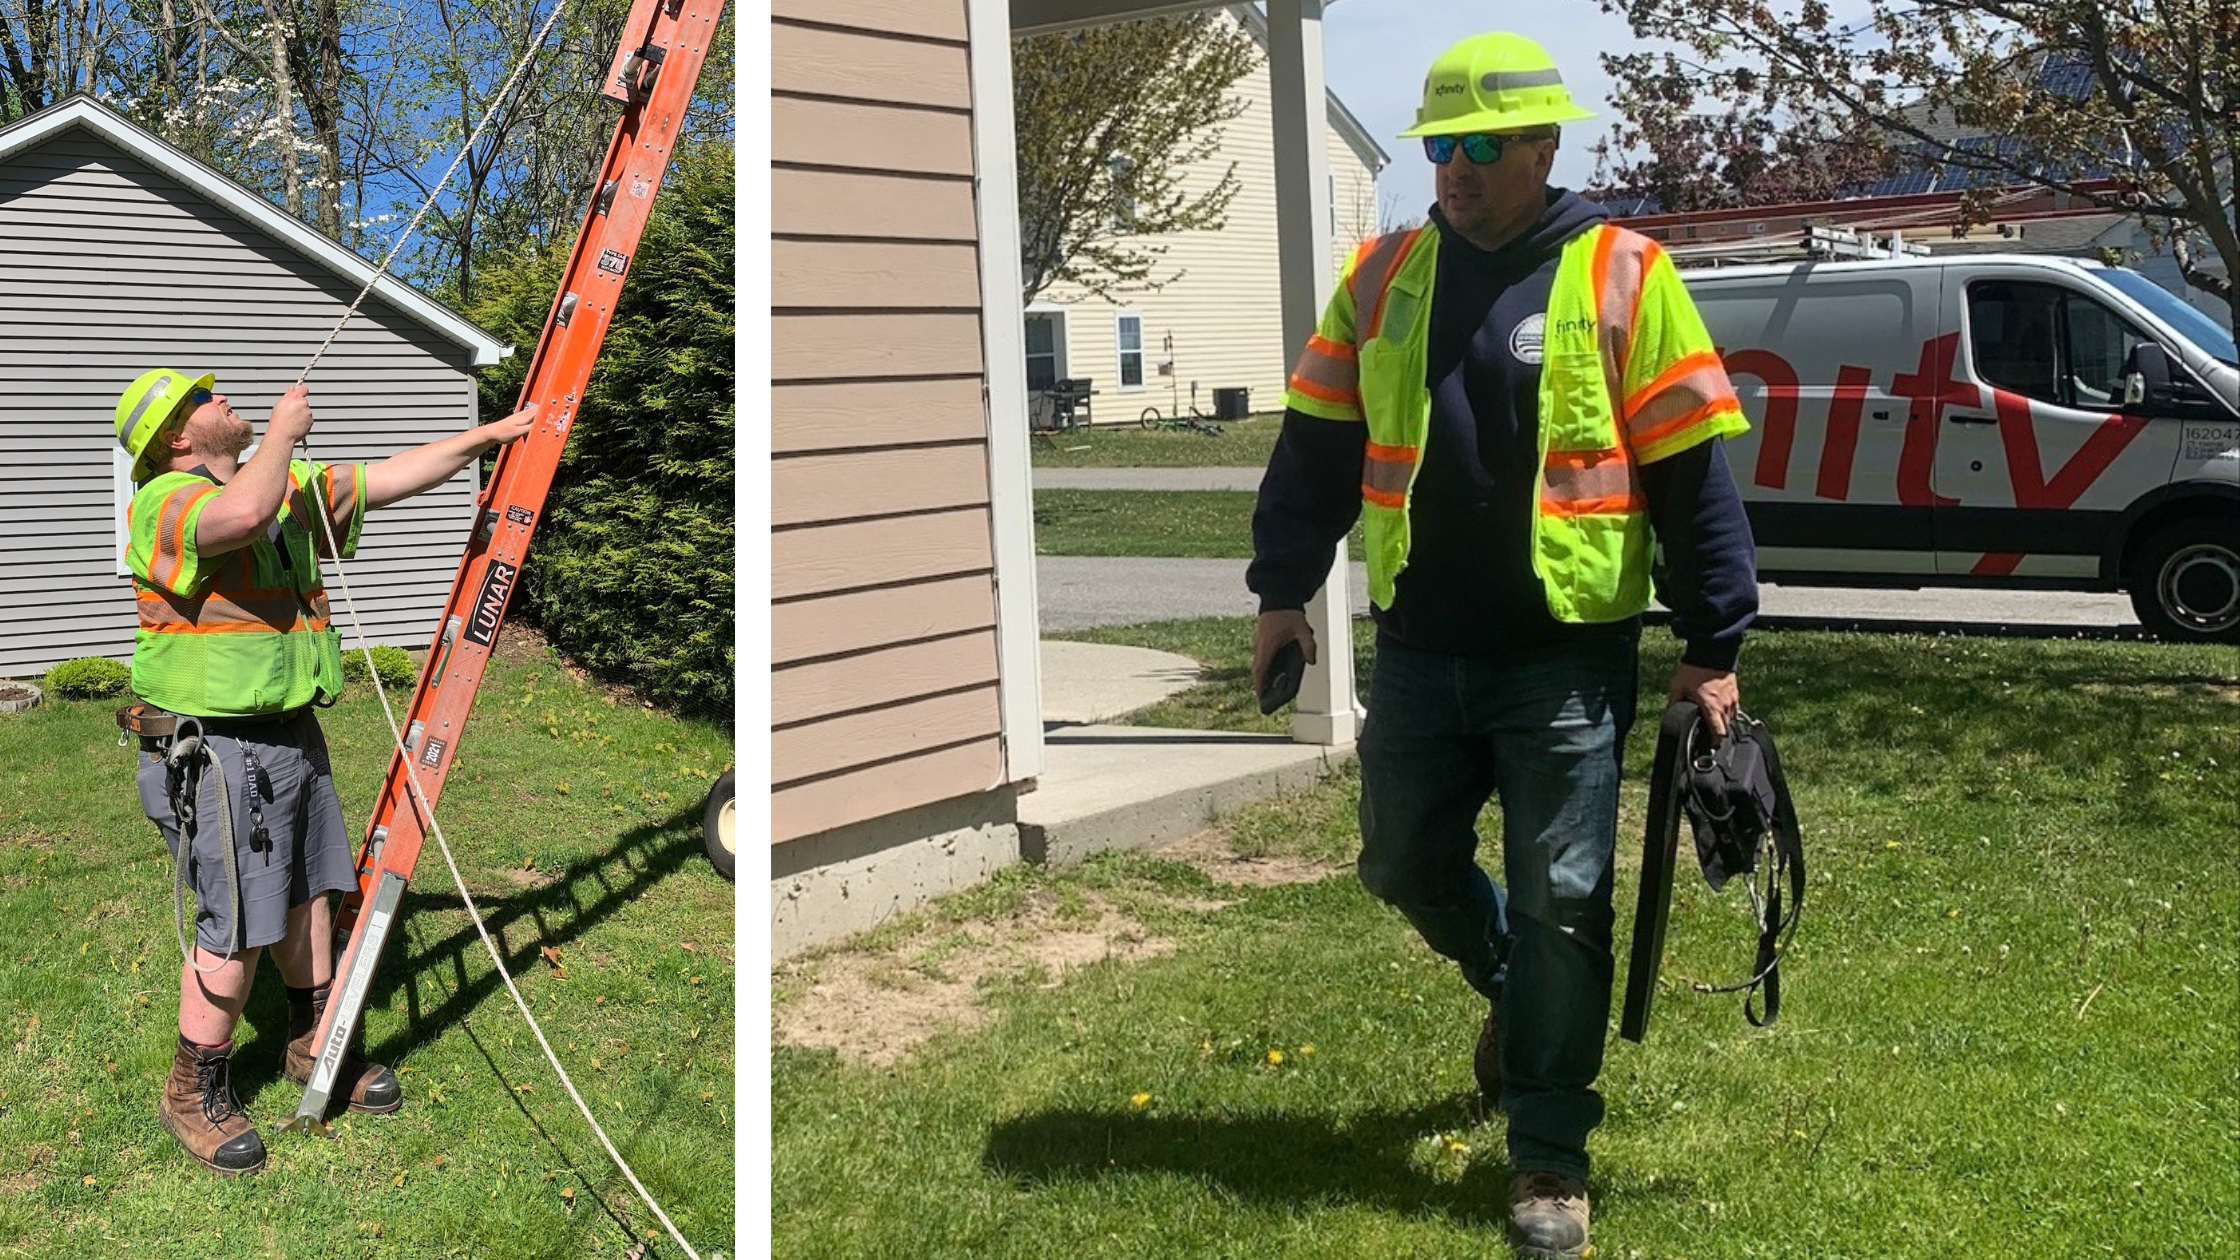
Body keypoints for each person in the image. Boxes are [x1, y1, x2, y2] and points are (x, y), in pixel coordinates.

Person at [1246, 33, 1758, 1259]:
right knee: (1397, 864)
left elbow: (1691, 474)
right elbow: (1314, 448)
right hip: (1419, 645)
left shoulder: (1624, 273)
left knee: (1564, 902)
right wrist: (1279, 591)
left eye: (1479, 144)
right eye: (1438, 145)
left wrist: (1711, 639)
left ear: (1541, 145)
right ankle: (1512, 992)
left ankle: (1547, 1154)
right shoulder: (1381, 277)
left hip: (1563, 659)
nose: (1454, 168)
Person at [112, 367, 536, 1175]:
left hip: (290, 733)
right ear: (178, 436)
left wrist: (488, 435)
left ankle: (312, 1047)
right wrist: (279, 433)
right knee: (233, 929)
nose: (225, 399)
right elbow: (240, 512)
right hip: (216, 749)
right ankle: (190, 1091)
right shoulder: (166, 500)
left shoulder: (285, 486)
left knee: (313, 899)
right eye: (208, 400)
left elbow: (386, 478)